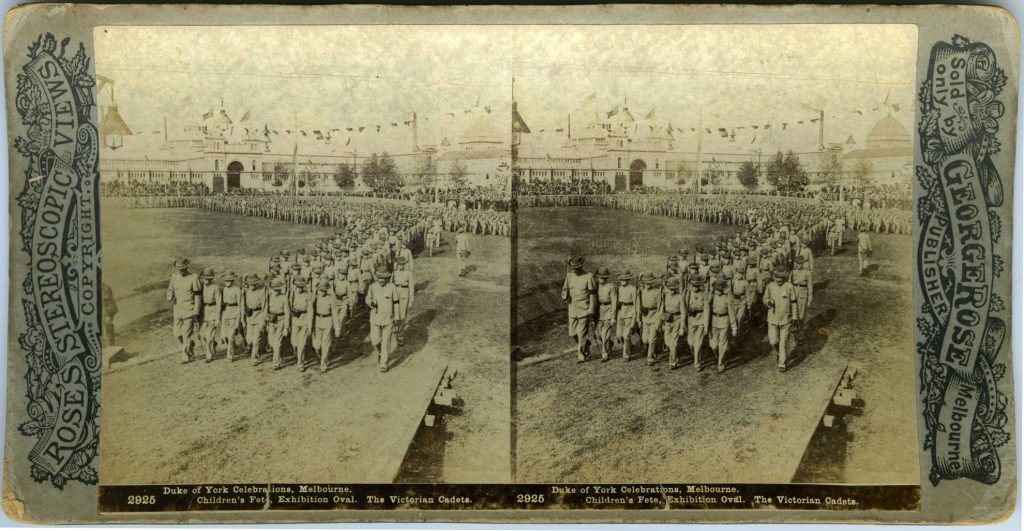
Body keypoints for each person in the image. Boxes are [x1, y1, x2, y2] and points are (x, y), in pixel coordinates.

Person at [763, 264, 798, 372]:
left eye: (780, 277)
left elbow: (794, 303)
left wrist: (795, 317)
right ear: (773, 277)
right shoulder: (770, 286)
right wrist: (768, 302)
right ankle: (779, 352)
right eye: (776, 277)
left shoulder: (789, 287)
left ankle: (782, 363)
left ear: (784, 277)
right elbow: (765, 298)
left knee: (783, 343)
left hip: (786, 319)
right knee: (773, 341)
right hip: (772, 319)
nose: (778, 279)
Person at [167, 257, 201, 363]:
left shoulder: (193, 278)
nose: (180, 271)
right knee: (177, 334)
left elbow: (198, 295)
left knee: (187, 335)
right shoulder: (174, 277)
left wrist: (196, 310)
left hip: (189, 310)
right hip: (177, 310)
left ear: (187, 268)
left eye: (182, 269)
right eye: (178, 269)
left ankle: (185, 355)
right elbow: (170, 290)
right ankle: (190, 345)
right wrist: (169, 295)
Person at [366, 267, 400, 372]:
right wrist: (371, 302)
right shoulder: (372, 287)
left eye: (383, 278)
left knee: (386, 342)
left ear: (387, 278)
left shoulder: (392, 287)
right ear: (376, 277)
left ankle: (384, 363)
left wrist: (397, 316)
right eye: (379, 278)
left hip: (388, 320)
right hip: (375, 319)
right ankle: (381, 352)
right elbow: (367, 298)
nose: (381, 280)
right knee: (375, 341)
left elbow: (396, 303)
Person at [563, 256, 596, 363]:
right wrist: (564, 294)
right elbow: (565, 288)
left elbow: (592, 294)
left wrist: (591, 308)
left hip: (584, 309)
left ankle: (581, 355)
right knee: (572, 333)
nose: (575, 270)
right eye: (573, 268)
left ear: (582, 267)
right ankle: (585, 344)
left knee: (581, 333)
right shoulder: (569, 276)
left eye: (577, 268)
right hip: (572, 309)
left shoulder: (588, 276)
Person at [709, 278, 738, 373]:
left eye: (720, 290)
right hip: (714, 322)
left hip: (724, 322)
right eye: (717, 289)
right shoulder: (711, 297)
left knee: (722, 344)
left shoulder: (727, 298)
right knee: (713, 345)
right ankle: (718, 355)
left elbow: (732, 313)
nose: (719, 291)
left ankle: (720, 363)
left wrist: (734, 327)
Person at [684, 273, 710, 371]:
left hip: (701, 320)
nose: (695, 288)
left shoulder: (704, 294)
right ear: (690, 285)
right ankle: (695, 353)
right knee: (690, 342)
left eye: (697, 286)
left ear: (699, 285)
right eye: (693, 286)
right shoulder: (688, 293)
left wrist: (706, 325)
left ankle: (697, 362)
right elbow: (685, 307)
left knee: (698, 343)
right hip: (691, 320)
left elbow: (707, 310)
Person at [241, 273, 267, 365]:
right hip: (249, 318)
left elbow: (264, 307)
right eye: (250, 284)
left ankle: (254, 358)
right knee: (249, 340)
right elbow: (242, 307)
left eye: (253, 284)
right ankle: (256, 350)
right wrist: (243, 320)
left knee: (256, 339)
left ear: (256, 283)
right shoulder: (245, 293)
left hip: (259, 317)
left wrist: (263, 320)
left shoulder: (261, 292)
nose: (251, 285)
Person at [265, 278, 290, 370]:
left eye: (277, 289)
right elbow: (267, 310)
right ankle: (281, 354)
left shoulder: (284, 297)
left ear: (280, 289)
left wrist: (286, 327)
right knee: (271, 342)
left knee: (277, 343)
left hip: (281, 320)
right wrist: (267, 323)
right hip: (271, 321)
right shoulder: (270, 296)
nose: (276, 291)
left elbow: (287, 312)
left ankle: (276, 363)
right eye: (274, 289)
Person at [289, 276, 313, 371]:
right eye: (297, 286)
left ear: (304, 286)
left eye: (301, 286)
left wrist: (309, 325)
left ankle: (300, 363)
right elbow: (290, 306)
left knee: (301, 344)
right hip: (295, 319)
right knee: (294, 342)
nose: (299, 288)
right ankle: (296, 353)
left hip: (304, 319)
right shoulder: (292, 293)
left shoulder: (308, 295)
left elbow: (310, 310)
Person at [660, 276, 685, 369]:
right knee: (667, 342)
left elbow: (683, 312)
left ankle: (673, 362)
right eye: (670, 289)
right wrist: (662, 323)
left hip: (677, 320)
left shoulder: (680, 297)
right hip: (667, 321)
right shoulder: (665, 296)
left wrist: (682, 327)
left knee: (673, 343)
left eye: (674, 289)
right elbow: (662, 310)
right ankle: (676, 353)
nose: (672, 291)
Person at [637, 272, 662, 366]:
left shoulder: (657, 292)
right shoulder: (641, 292)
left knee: (652, 338)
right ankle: (654, 349)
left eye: (649, 283)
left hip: (654, 316)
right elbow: (639, 305)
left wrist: (658, 321)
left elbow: (660, 308)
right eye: (645, 283)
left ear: (652, 283)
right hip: (645, 317)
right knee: (645, 340)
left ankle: (650, 357)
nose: (647, 285)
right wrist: (639, 319)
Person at [198, 268, 222, 363]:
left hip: (213, 311)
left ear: (211, 279)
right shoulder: (200, 287)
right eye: (205, 278)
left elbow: (219, 303)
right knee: (202, 335)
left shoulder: (215, 288)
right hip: (203, 313)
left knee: (209, 336)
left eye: (208, 278)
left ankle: (209, 355)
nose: (206, 280)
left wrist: (217, 318)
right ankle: (214, 344)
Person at [594, 266, 617, 362]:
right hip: (599, 311)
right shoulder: (596, 286)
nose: (601, 279)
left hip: (608, 310)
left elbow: (614, 302)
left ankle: (604, 354)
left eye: (603, 277)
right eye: (599, 277)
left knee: (605, 334)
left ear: (606, 278)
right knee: (598, 334)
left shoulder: (611, 287)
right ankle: (609, 344)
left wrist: (613, 317)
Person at [311, 279, 335, 373]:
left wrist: (336, 327)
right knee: (316, 345)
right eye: (320, 290)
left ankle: (323, 364)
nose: (321, 292)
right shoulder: (315, 298)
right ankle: (320, 354)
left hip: (327, 321)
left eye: (323, 290)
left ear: (326, 290)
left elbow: (335, 313)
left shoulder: (331, 298)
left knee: (326, 344)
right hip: (317, 321)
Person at [220, 270, 243, 361]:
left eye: (229, 280)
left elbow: (240, 305)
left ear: (233, 280)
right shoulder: (224, 289)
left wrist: (238, 320)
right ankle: (234, 346)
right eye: (226, 280)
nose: (227, 282)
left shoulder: (237, 290)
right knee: (223, 336)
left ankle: (230, 355)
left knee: (230, 336)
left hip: (234, 314)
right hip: (225, 314)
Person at [615, 270, 638, 362]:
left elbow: (636, 305)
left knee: (626, 335)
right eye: (621, 279)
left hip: (630, 313)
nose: (622, 281)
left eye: (624, 279)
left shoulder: (633, 289)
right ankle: (630, 345)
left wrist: (633, 319)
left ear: (628, 279)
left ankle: (626, 355)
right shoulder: (619, 288)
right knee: (619, 335)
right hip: (621, 314)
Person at [392, 255, 415, 345]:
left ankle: (400, 335)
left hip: (404, 293)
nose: (400, 266)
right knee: (394, 313)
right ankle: (394, 330)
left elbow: (411, 287)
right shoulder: (394, 273)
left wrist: (410, 301)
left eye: (402, 264)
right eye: (398, 264)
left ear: (404, 264)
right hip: (395, 293)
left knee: (402, 315)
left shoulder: (409, 273)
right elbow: (390, 285)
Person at [102, 282, 118, 347]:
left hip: (105, 312)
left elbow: (110, 304)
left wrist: (108, 315)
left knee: (107, 323)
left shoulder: (104, 287)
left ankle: (110, 346)